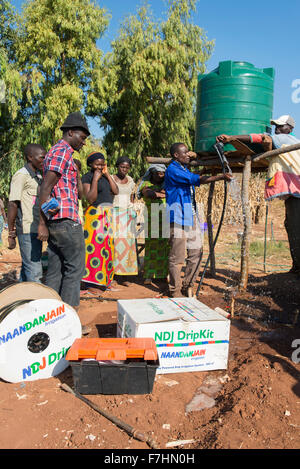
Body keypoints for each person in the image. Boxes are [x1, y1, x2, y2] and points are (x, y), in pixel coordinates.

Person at [217, 115, 300, 275]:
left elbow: (264, 139)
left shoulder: (285, 139)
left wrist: (232, 138)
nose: (277, 128)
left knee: (296, 228)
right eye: (276, 125)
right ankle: (296, 266)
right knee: (291, 226)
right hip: (294, 191)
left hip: (296, 191)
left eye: (281, 126)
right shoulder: (289, 142)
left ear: (289, 128)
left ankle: (298, 268)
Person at [165, 142, 232, 298]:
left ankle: (188, 285)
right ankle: (175, 290)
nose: (188, 155)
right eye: (185, 153)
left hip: (192, 215)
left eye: (188, 153)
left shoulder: (183, 168)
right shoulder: (173, 170)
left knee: (196, 252)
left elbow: (193, 179)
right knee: (177, 256)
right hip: (179, 218)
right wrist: (221, 176)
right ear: (176, 155)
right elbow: (198, 180)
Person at [37, 112, 89, 309]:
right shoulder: (62, 152)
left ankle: (50, 316)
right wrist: (42, 223)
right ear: (70, 133)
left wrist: (45, 222)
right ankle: (70, 319)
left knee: (55, 270)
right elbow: (45, 188)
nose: (83, 143)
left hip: (57, 221)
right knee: (75, 269)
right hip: (66, 221)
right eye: (82, 138)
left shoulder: (57, 152)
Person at [8, 144, 46, 282]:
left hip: (36, 227)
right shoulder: (21, 175)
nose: (44, 160)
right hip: (27, 229)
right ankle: (35, 302)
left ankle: (21, 299)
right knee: (34, 270)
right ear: (30, 157)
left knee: (27, 268)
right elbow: (13, 203)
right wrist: (11, 233)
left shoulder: (38, 176)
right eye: (41, 157)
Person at [81, 152, 119, 290]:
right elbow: (90, 198)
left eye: (102, 164)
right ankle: (90, 282)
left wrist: (107, 175)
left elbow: (116, 191)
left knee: (107, 248)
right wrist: (95, 180)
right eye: (97, 164)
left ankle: (105, 279)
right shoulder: (87, 177)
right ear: (90, 164)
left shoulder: (106, 176)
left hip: (107, 214)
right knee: (94, 249)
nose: (100, 166)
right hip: (95, 215)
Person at [138, 164, 169, 285]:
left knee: (165, 246)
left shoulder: (165, 185)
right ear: (152, 174)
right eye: (158, 173)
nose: (160, 176)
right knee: (152, 247)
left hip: (165, 219)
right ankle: (149, 275)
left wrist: (158, 192)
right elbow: (148, 194)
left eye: (162, 174)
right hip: (153, 219)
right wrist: (161, 193)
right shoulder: (146, 185)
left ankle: (162, 274)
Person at [112, 156, 138, 284]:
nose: (124, 170)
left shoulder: (131, 180)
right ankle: (114, 275)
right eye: (122, 167)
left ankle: (125, 275)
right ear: (117, 166)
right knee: (115, 245)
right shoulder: (111, 179)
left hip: (127, 215)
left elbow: (132, 197)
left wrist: (132, 211)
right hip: (114, 213)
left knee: (127, 246)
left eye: (127, 167)